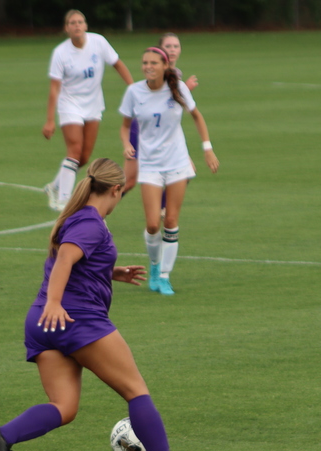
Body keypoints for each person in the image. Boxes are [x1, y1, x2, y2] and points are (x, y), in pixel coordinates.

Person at [0, 158, 212, 451]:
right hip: (77, 320)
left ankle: (1, 436)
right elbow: (65, 260)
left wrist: (111, 272)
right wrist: (56, 303)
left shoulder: (77, 218)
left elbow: (76, 262)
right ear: (116, 190)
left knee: (64, 406)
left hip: (42, 323)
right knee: (136, 391)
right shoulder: (90, 223)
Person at [119, 47, 219, 297]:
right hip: (150, 165)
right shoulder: (134, 92)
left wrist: (207, 149)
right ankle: (154, 265)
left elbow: (197, 116)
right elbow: (124, 125)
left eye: (153, 62)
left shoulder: (179, 89)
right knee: (153, 224)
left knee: (171, 221)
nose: (148, 67)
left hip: (176, 163)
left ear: (165, 66)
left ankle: (164, 276)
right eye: (144, 62)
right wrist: (126, 143)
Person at [43, 10, 133, 212]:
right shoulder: (60, 53)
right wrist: (50, 120)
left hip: (93, 105)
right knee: (74, 151)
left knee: (82, 158)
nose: (77, 25)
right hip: (70, 105)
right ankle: (64, 201)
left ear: (85, 25)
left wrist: (133, 89)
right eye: (72, 23)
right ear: (66, 28)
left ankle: (54, 187)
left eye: (80, 22)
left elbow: (117, 64)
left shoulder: (98, 42)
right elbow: (54, 88)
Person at [122, 33, 199, 201]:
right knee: (129, 181)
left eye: (176, 46)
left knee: (187, 171)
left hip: (165, 135)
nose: (172, 50)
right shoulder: (154, 70)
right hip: (143, 130)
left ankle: (161, 211)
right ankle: (100, 212)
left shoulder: (175, 74)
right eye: (168, 46)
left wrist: (186, 90)